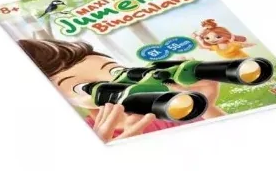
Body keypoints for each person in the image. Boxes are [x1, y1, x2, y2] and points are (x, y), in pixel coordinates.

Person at [18, 38, 225, 143]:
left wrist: (207, 105)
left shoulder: (169, 106)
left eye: (115, 71)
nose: (112, 82)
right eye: (84, 87)